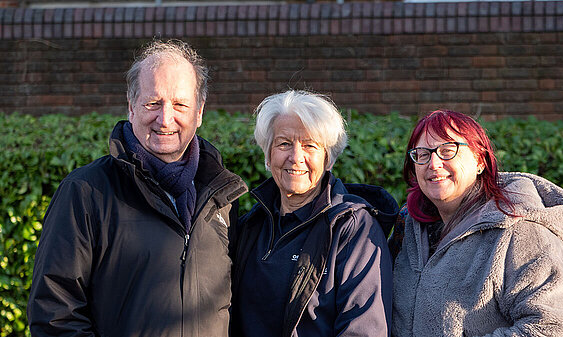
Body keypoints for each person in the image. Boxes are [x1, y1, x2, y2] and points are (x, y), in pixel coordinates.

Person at [27, 39, 247, 336]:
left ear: (199, 111)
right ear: (132, 107)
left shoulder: (221, 198)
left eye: (180, 104)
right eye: (153, 103)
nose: (165, 118)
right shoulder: (86, 192)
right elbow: (54, 314)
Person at [390, 109, 563, 337]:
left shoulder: (519, 229)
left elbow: (554, 328)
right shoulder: (408, 228)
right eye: (422, 154)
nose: (433, 163)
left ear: (480, 160)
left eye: (447, 151)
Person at [230, 90, 397, 337]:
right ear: (268, 154)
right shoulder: (251, 226)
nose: (296, 157)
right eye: (284, 143)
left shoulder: (353, 229)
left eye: (310, 145)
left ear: (328, 159)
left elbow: (363, 330)